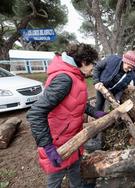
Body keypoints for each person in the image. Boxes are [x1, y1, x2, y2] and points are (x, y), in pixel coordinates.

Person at [27, 43, 104, 188]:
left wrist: (94, 112)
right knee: (56, 176)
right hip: (58, 139)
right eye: (92, 64)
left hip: (71, 135)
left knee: (75, 165)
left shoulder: (76, 75)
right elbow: (36, 113)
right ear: (83, 62)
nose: (93, 68)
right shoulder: (64, 79)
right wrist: (48, 146)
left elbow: (73, 101)